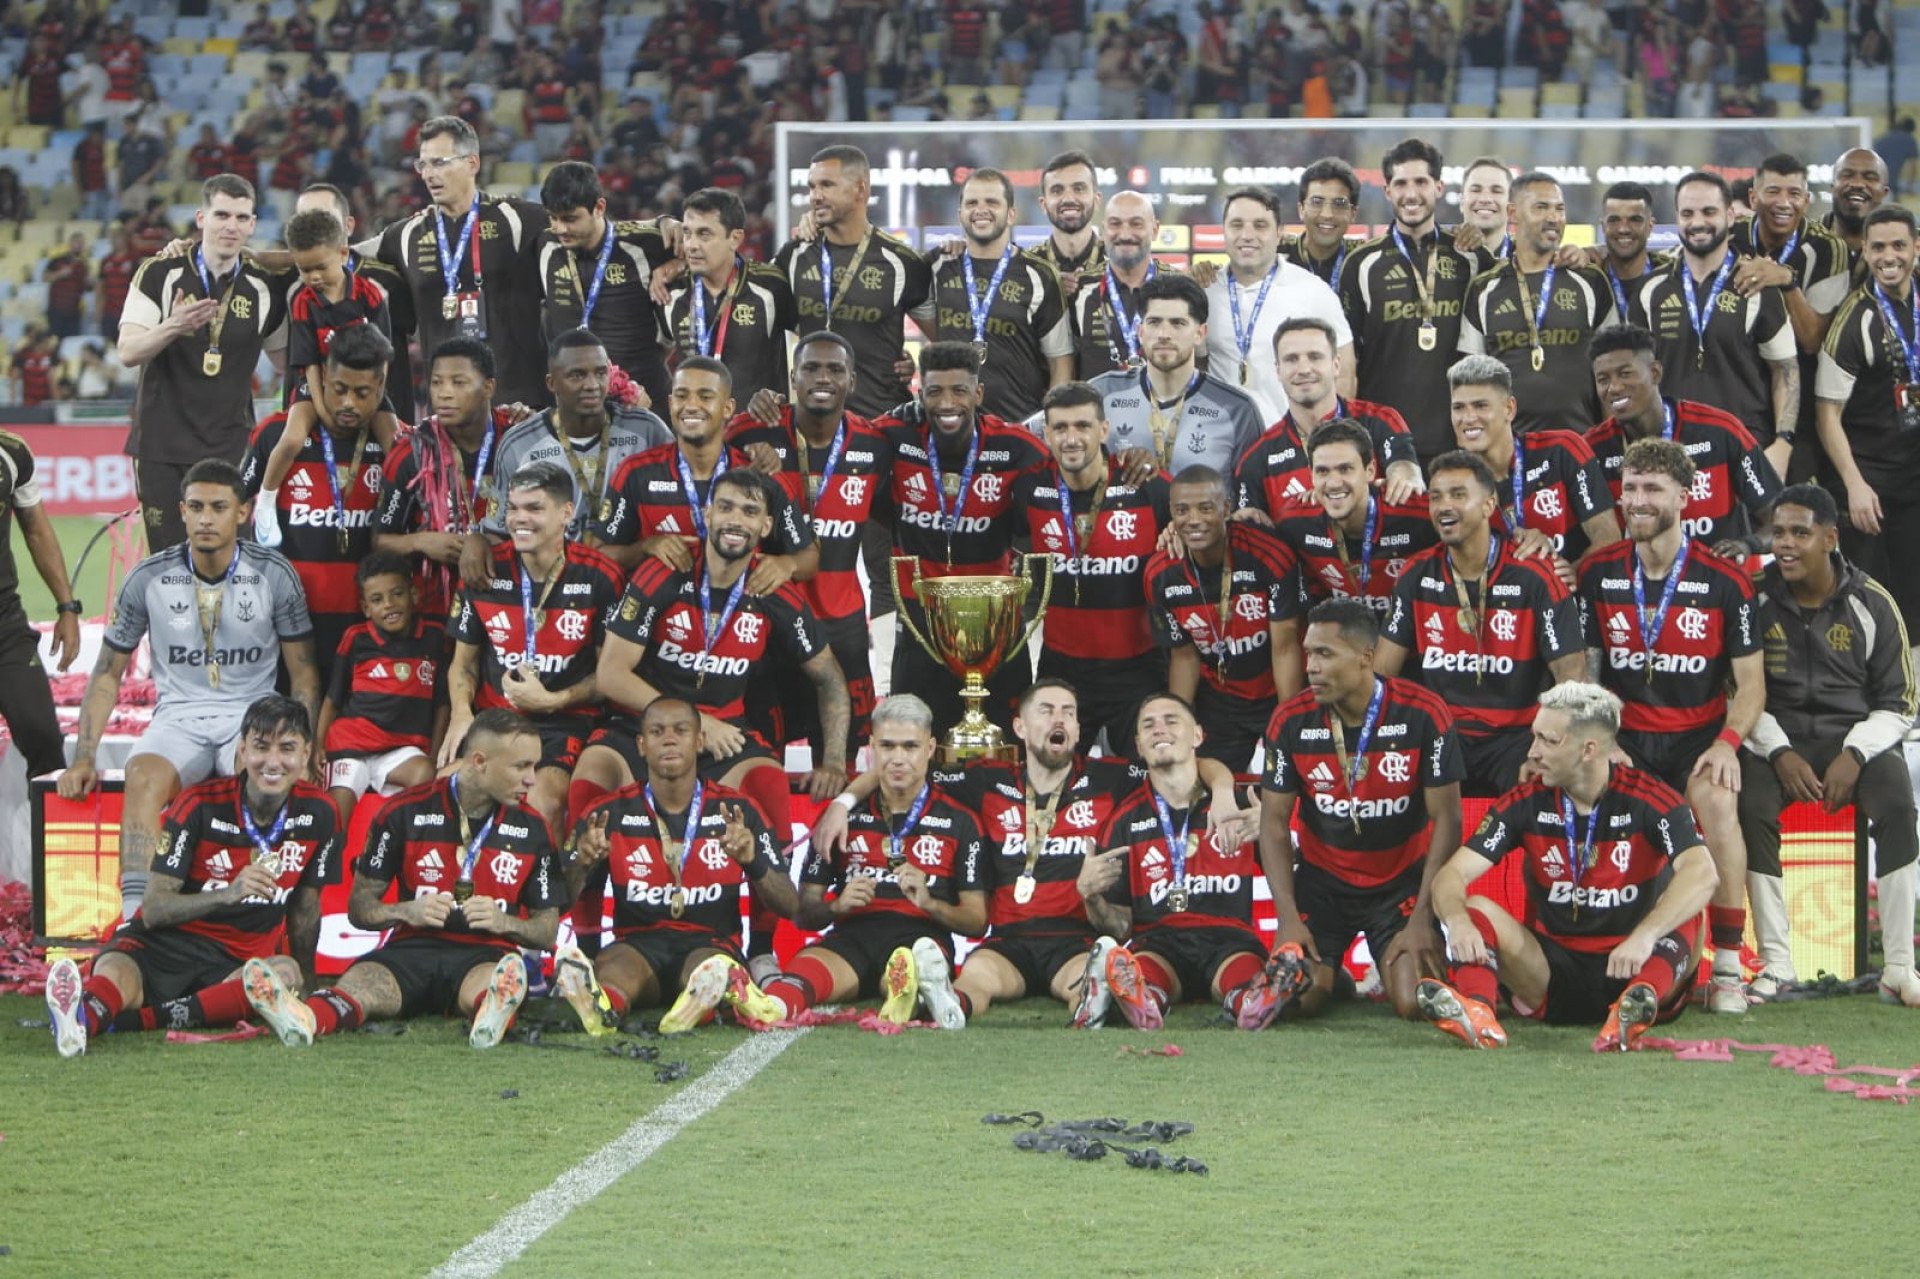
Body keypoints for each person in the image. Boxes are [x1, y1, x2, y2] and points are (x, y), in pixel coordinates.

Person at [58, 459, 319, 921]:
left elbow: (304, 674)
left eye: (218, 507)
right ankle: (136, 917)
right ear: (181, 511)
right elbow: (106, 674)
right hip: (178, 719)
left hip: (249, 716)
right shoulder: (148, 578)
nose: (205, 519)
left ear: (243, 512)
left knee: (260, 773)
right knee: (141, 775)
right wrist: (84, 757)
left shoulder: (274, 574)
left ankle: (253, 913)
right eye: (196, 507)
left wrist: (305, 748)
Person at [1418, 682, 1718, 1051]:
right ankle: (1478, 1012)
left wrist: (1645, 936)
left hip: (1636, 963)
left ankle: (1635, 1005)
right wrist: (1458, 922)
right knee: (1476, 907)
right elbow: (1451, 875)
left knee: (1690, 904)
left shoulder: (1651, 799)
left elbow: (1704, 873)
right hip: (1552, 973)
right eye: (1534, 737)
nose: (1532, 752)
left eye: (1548, 741)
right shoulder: (1525, 801)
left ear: (1588, 750)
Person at [241, 708, 564, 1050]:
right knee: (359, 984)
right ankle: (305, 1019)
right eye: (521, 766)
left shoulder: (534, 828)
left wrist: (503, 921)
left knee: (497, 985)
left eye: (534, 766)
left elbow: (546, 932)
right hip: (411, 950)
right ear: (480, 761)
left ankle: (491, 1017)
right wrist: (407, 911)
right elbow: (359, 909)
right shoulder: (404, 812)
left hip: (486, 953)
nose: (532, 779)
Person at [42, 697, 340, 1057]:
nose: (273, 762)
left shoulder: (321, 813)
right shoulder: (199, 805)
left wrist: (308, 988)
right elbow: (154, 909)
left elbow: (306, 907)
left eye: (287, 749)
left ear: (306, 755)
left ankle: (131, 1020)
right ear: (242, 751)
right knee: (116, 971)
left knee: (284, 974)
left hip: (234, 964)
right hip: (161, 946)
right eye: (261, 747)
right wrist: (228, 893)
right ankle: (79, 1020)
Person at [1578, 437, 1763, 1014]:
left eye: (1652, 489)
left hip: (1697, 737)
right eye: (1630, 488)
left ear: (1685, 496)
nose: (1637, 500)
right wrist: (1604, 739)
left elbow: (1751, 685)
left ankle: (1727, 965)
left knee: (1718, 801)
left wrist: (1727, 745)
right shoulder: (1598, 572)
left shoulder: (1726, 581)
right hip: (1626, 737)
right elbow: (1586, 673)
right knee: (1584, 793)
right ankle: (1586, 947)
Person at [1738, 485, 1918, 1001]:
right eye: (1778, 533)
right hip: (1775, 740)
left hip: (1855, 740)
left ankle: (1899, 968)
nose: (1786, 544)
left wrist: (1855, 754)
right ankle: (1777, 963)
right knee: (1751, 808)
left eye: (1800, 533)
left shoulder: (1873, 602)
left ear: (1830, 538)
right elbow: (1736, 690)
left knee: (1898, 806)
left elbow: (1900, 702)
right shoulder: (1753, 598)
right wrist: (1778, 750)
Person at [1258, 599, 1463, 1020]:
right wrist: (1287, 918)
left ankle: (1369, 972)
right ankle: (1333, 979)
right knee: (1295, 1001)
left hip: (1399, 887)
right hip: (1322, 886)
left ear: (1366, 657)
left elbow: (1449, 819)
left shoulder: (1423, 713)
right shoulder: (1290, 720)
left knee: (1414, 1003)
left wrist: (1423, 915)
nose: (1311, 667)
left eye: (1324, 654)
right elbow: (1274, 823)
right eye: (1308, 654)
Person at [556, 696, 794, 1035]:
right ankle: (602, 1009)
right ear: (641, 745)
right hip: (637, 944)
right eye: (657, 732)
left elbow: (789, 904)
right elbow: (558, 902)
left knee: (708, 970)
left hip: (710, 943)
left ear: (699, 741)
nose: (669, 739)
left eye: (680, 731)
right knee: (616, 972)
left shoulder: (737, 811)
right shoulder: (608, 812)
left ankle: (698, 1003)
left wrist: (752, 861)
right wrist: (582, 864)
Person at [1077, 692, 1305, 1031]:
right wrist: (1092, 897)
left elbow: (1298, 873)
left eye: (1171, 721)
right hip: (1158, 941)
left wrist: (1275, 835)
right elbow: (1120, 927)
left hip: (1229, 940)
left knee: (1243, 971)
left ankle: (1253, 1001)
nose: (1159, 729)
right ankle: (1142, 1001)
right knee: (1143, 969)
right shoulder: (1124, 819)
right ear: (1138, 745)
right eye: (1148, 725)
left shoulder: (1239, 805)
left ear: (1197, 735)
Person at [761, 694, 986, 1029]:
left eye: (910, 747)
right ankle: (767, 1007)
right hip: (851, 937)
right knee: (802, 971)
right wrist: (837, 906)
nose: (898, 758)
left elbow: (977, 922)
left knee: (907, 971)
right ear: (871, 748)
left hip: (921, 939)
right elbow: (804, 915)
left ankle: (914, 992)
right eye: (887, 746)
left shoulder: (960, 820)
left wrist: (930, 903)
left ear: (930, 748)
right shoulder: (840, 819)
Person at [1376, 450, 1587, 796]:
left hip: (1516, 739)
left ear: (1489, 505)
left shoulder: (1535, 577)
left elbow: (1571, 675)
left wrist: (1546, 747)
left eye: (1458, 495)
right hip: (1444, 735)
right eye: (1436, 497)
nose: (1444, 506)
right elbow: (1382, 676)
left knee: (1549, 786)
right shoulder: (1415, 575)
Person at [725, 331, 887, 760]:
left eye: (835, 369)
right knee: (762, 749)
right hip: (769, 615)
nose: (823, 378)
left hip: (842, 620)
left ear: (852, 381)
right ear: (793, 377)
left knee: (840, 753)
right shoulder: (749, 433)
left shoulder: (874, 443)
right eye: (811, 368)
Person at [878, 341, 1053, 738]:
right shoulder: (894, 435)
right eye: (935, 391)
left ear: (979, 393)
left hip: (994, 621)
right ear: (920, 393)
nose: (947, 403)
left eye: (959, 390)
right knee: (915, 740)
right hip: (920, 618)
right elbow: (840, 439)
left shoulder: (1016, 446)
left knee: (1006, 742)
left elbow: (1071, 475)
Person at [444, 460, 623, 837]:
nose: (519, 519)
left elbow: (611, 675)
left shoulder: (600, 576)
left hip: (565, 722)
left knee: (545, 802)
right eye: (513, 508)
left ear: (566, 513)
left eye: (534, 508)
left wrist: (553, 701)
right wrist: (461, 713)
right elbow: (463, 664)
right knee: (446, 792)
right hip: (494, 721)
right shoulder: (484, 573)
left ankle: (545, 879)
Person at [118, 174, 288, 552]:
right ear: (201, 218)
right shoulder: (161, 271)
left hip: (231, 447)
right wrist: (174, 326)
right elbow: (128, 352)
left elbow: (284, 362)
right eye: (221, 215)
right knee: (169, 564)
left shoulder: (264, 286)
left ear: (253, 224)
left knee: (230, 562)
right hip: (162, 446)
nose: (231, 226)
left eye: (241, 218)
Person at [1011, 383, 1170, 758]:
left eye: (1082, 426)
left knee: (1144, 778)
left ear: (1104, 430)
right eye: (1060, 428)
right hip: (1061, 667)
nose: (1071, 439)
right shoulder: (1030, 488)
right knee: (1051, 775)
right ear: (1046, 433)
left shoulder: (1145, 484)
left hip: (1138, 669)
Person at [239, 324, 397, 683]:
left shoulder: (397, 447)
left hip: (366, 629)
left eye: (362, 393)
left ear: (380, 387)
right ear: (323, 376)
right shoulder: (275, 436)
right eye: (339, 389)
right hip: (287, 627)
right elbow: (233, 506)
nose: (348, 403)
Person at [366, 116, 552, 407]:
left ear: (472, 163)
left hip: (519, 407)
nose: (428, 175)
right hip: (445, 411)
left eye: (439, 163)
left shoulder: (519, 219)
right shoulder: (406, 235)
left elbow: (592, 233)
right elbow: (339, 257)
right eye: (423, 165)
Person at [1626, 171, 1798, 477]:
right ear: (1677, 218)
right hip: (1669, 455)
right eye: (1687, 213)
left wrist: (1783, 444)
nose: (1698, 222)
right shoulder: (1650, 291)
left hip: (1744, 454)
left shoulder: (1758, 285)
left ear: (1730, 216)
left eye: (1709, 212)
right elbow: (1632, 376)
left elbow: (1785, 372)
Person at [1145, 464, 1303, 770]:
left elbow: (1285, 647)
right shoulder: (1160, 574)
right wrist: (1179, 725)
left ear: (1226, 508)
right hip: (1220, 701)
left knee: (1287, 777)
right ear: (1171, 513)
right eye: (1182, 510)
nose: (1193, 520)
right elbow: (1184, 656)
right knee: (1203, 782)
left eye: (1205, 508)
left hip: (1275, 691)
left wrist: (1289, 723)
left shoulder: (1269, 554)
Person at [1586, 323, 1781, 556]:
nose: (1614, 387)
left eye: (1625, 374)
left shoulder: (1720, 432)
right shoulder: (1590, 451)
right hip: (1637, 577)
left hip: (1717, 575)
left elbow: (1779, 518)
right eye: (1603, 379)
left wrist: (1747, 545)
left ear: (1655, 373)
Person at [1816, 205, 1920, 640]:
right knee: (1868, 604)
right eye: (1878, 247)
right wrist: (1855, 484)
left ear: (1916, 247)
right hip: (1869, 484)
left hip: (1914, 479)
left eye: (1898, 245)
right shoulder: (1853, 319)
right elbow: (1827, 414)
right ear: (1865, 249)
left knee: (1914, 599)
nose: (1888, 256)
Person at [478, 329, 669, 554]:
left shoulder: (647, 430)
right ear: (552, 383)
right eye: (577, 376)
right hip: (553, 572)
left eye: (600, 373)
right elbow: (497, 533)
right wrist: (477, 541)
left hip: (631, 568)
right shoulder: (519, 444)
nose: (592, 385)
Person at [776, 145, 931, 419]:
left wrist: (918, 364)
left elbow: (948, 336)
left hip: (881, 423)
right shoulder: (794, 256)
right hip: (814, 426)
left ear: (860, 189)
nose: (815, 196)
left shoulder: (902, 262)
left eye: (827, 185)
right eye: (812, 187)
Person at [1458, 173, 1614, 434]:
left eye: (1559, 209)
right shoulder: (1484, 289)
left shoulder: (1590, 280)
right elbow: (1473, 384)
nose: (1553, 217)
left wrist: (1611, 444)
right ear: (1513, 213)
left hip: (1581, 443)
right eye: (1541, 207)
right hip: (1509, 447)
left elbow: (1611, 371)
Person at [1446, 354, 1620, 583]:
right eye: (1459, 408)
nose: (1468, 418)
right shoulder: (1451, 484)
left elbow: (1608, 537)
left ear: (1509, 409)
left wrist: (1573, 572)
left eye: (1480, 406)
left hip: (1572, 598)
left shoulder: (1562, 450)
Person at [373, 338, 517, 613]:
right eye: (437, 383)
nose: (444, 394)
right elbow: (379, 541)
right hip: (437, 612)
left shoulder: (517, 441)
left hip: (512, 606)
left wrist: (484, 543)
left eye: (459, 382)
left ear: (489, 387)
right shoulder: (412, 452)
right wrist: (419, 542)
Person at [1233, 317, 1422, 519]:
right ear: (1278, 371)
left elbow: (1405, 469)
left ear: (1336, 365)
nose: (1304, 369)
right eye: (1291, 359)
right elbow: (1248, 527)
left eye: (1315, 357)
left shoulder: (1380, 421)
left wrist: (1405, 476)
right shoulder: (1257, 458)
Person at [924, 166, 1073, 422]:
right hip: (951, 425)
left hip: (1019, 425)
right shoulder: (936, 265)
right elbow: (915, 320)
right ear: (960, 215)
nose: (981, 209)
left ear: (1011, 214)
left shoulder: (1040, 275)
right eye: (972, 203)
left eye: (992, 202)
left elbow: (1061, 362)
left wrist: (1049, 424)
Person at [315, 551, 450, 829]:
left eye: (397, 594)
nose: (389, 605)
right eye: (377, 600)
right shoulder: (356, 638)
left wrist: (435, 754)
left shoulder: (435, 637)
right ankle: (329, 855)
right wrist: (317, 745)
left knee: (425, 775)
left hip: (401, 750)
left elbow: (442, 705)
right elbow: (332, 699)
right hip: (351, 747)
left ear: (413, 594)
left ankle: (401, 853)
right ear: (366, 608)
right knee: (336, 815)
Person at [1202, 184, 1354, 425]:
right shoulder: (1205, 293)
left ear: (1280, 232)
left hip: (1293, 442)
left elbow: (1344, 376)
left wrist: (1329, 437)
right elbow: (1196, 369)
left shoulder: (1313, 291)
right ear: (1224, 231)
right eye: (1237, 225)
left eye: (1260, 225)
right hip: (1222, 442)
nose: (1247, 235)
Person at [1092, 273, 1265, 479]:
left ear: (1200, 334)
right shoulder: (1101, 394)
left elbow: (1253, 492)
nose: (1164, 334)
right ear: (1140, 332)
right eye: (1154, 322)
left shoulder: (1237, 410)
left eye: (1177, 323)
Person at [536, 160, 675, 410]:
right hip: (575, 404)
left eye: (570, 218)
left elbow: (707, 252)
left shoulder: (643, 245)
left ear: (599, 207)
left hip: (643, 399)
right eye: (553, 218)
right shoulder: (546, 244)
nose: (560, 228)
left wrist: (678, 263)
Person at [1268, 418, 1436, 617]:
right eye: (1322, 471)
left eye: (1345, 469)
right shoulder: (1294, 521)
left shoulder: (1419, 513)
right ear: (1311, 475)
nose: (1334, 483)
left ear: (1370, 471)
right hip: (1345, 632)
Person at [662, 186, 796, 410]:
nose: (692, 245)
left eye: (704, 234)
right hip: (696, 425)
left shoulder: (770, 287)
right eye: (687, 233)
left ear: (735, 238)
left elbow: (812, 341)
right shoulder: (672, 291)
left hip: (758, 428)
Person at [0, 428, 82, 780]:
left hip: (5, 625)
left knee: (44, 738)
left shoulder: (11, 451)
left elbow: (37, 531)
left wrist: (67, 607)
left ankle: (48, 819)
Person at [1067, 189, 1164, 379]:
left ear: (1155, 229)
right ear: (1103, 231)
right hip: (1095, 399)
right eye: (1115, 224)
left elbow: (1199, 359)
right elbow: (1063, 363)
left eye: (1136, 224)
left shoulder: (1178, 287)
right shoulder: (1078, 288)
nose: (1125, 234)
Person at [1283, 156, 1362, 288]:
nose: (1327, 214)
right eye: (1317, 202)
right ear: (1301, 209)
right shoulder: (1276, 257)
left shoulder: (1366, 259)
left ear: (1353, 213)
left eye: (1339, 204)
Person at [1032, 150, 1105, 280]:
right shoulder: (1026, 267)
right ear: (1044, 204)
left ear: (1096, 200)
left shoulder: (1118, 263)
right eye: (1057, 191)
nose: (1068, 199)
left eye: (1079, 189)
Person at [1822, 147, 1891, 280]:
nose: (1857, 184)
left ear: (1884, 192)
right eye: (1847, 175)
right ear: (1832, 187)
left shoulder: (1907, 249)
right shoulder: (1805, 242)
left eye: (1870, 178)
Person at [1457, 155, 1514, 258]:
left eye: (1496, 191)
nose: (1485, 199)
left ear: (1511, 206)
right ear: (1461, 202)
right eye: (1476, 190)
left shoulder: (1528, 257)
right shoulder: (1435, 253)